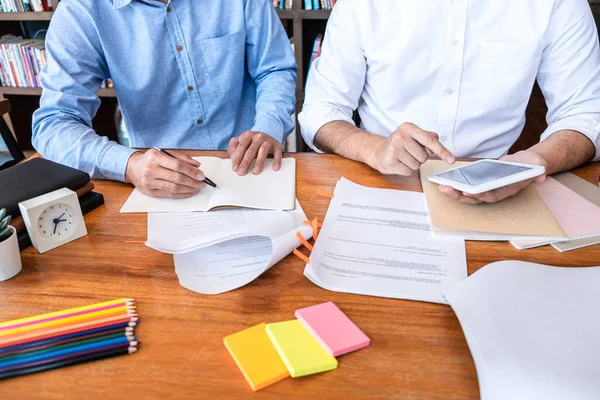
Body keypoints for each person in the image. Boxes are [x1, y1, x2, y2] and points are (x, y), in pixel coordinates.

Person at [299, 0, 600, 204]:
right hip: (378, 183)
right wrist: (374, 148)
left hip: (504, 190)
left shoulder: (558, 4)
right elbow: (321, 110)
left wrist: (537, 161)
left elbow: (587, 112)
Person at [33, 0, 296, 199]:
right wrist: (128, 165)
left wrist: (268, 125)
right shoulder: (81, 10)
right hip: (160, 181)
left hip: (252, 165)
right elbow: (54, 123)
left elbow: (275, 68)